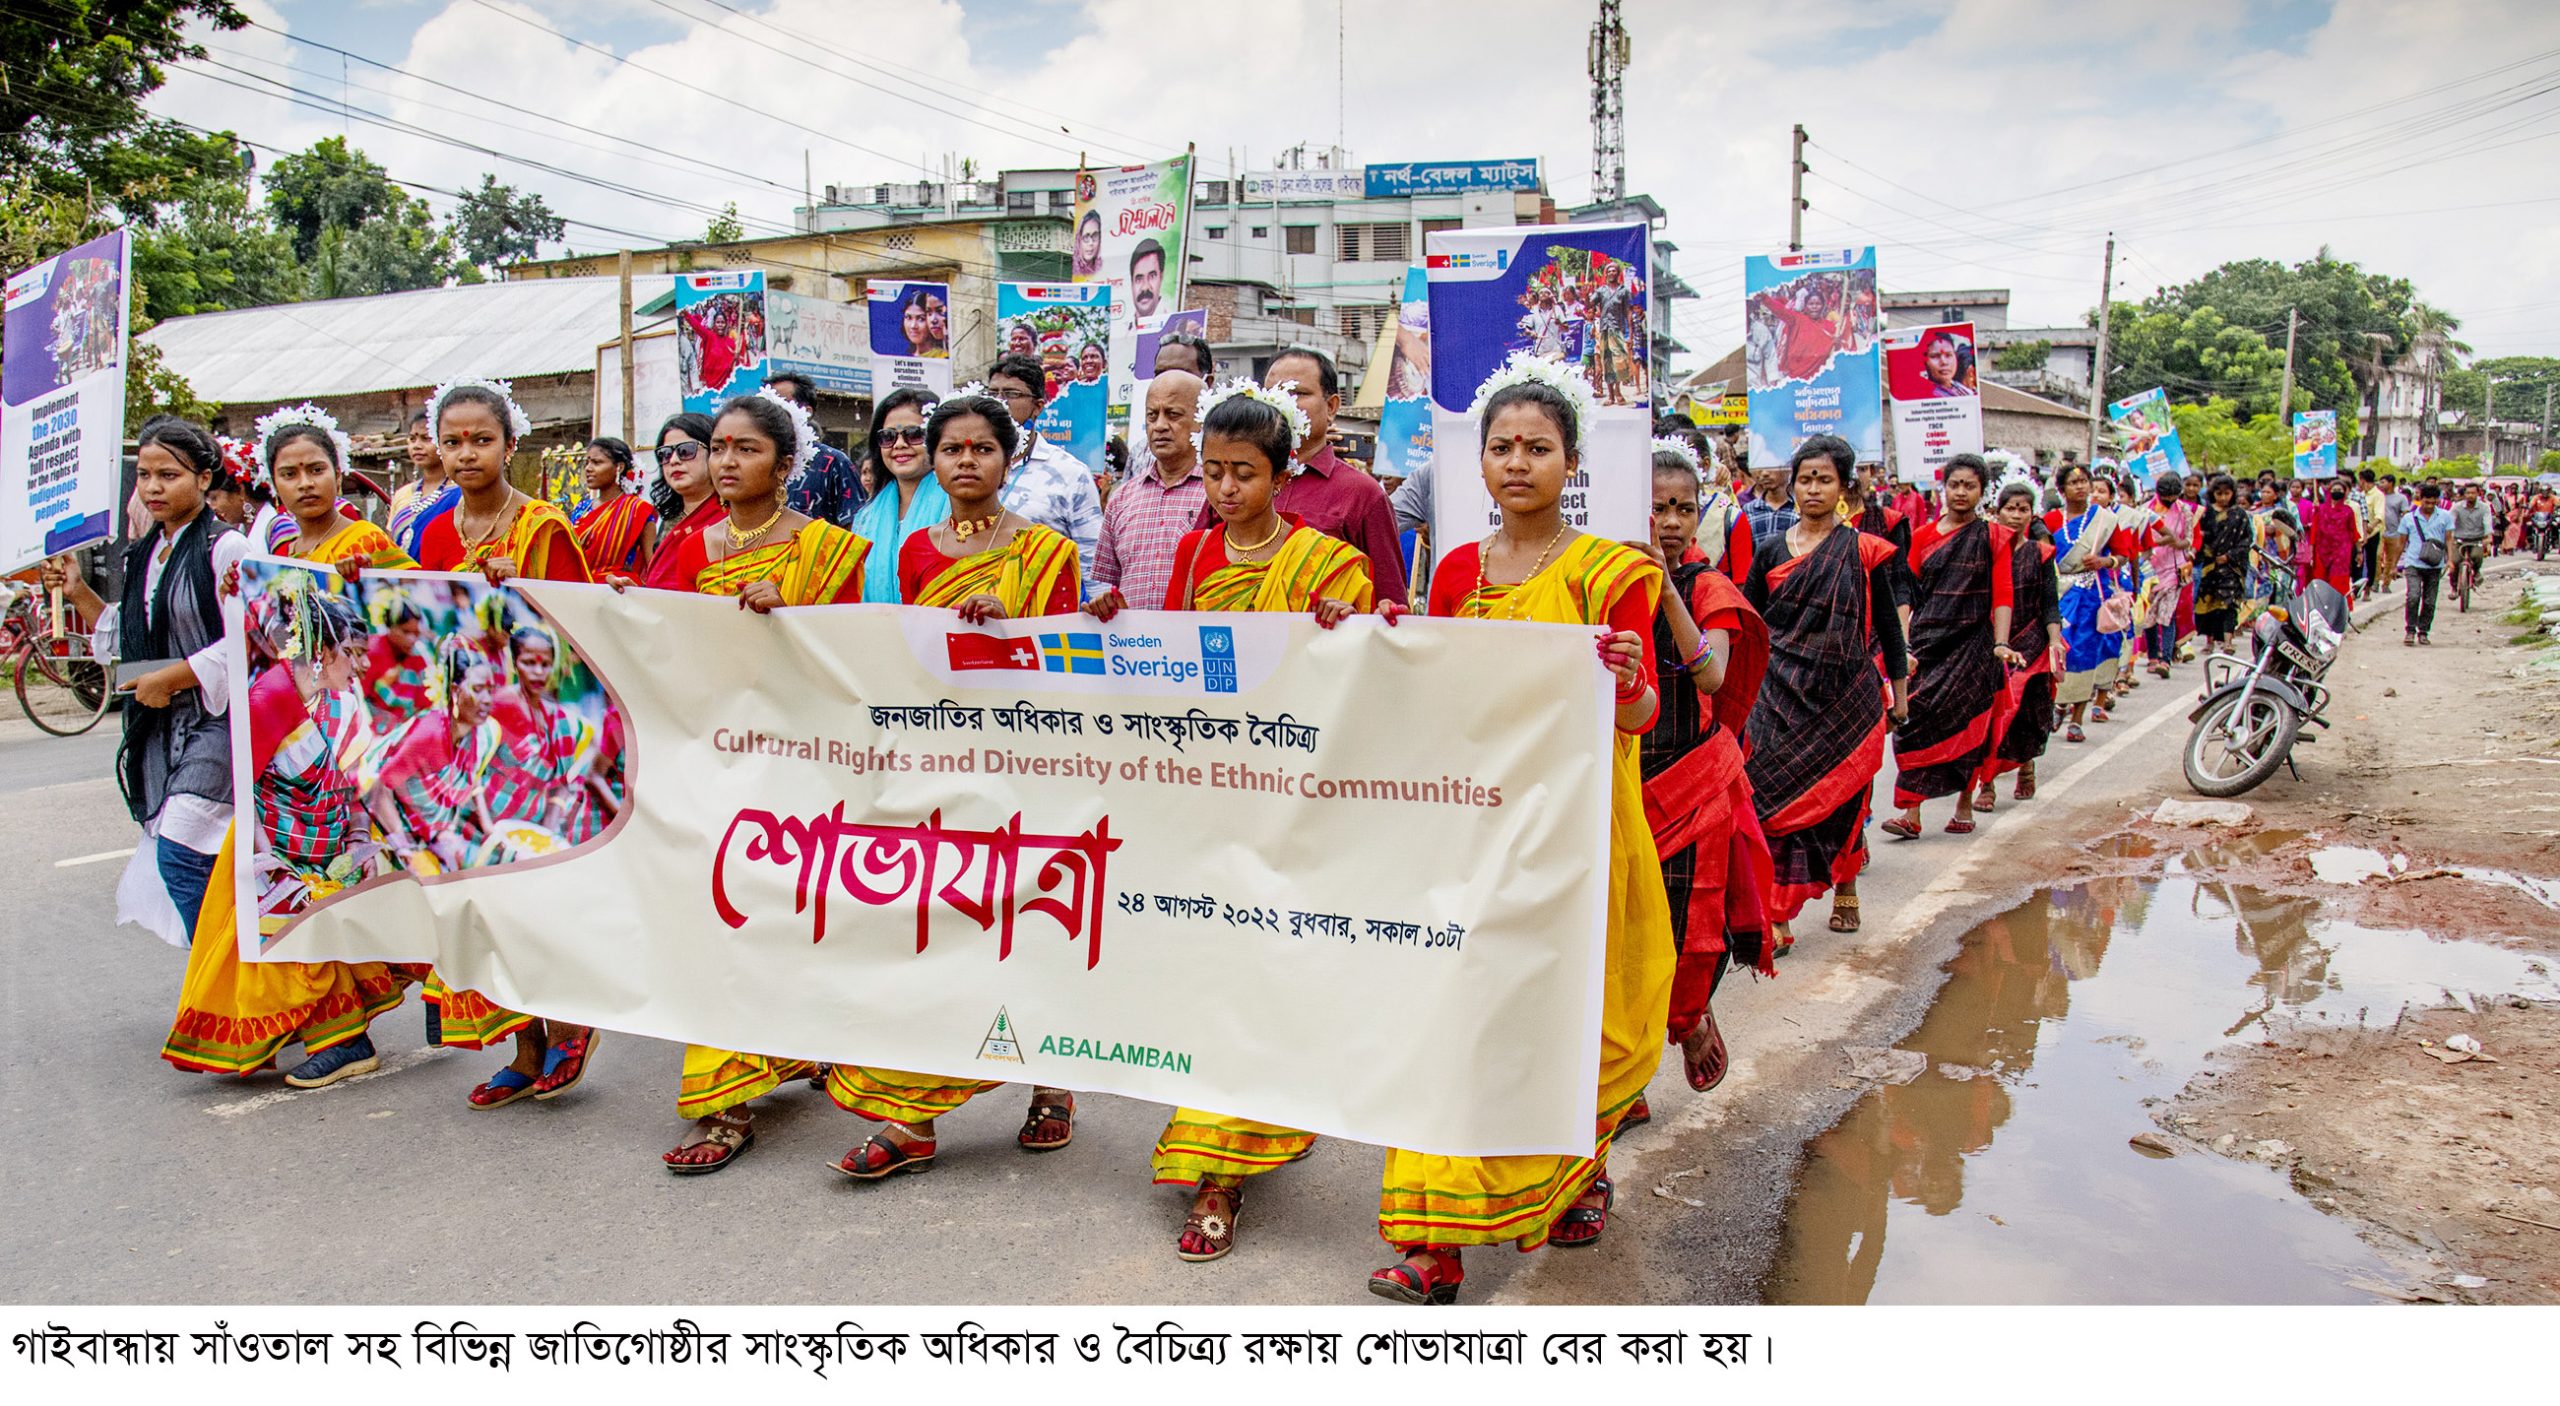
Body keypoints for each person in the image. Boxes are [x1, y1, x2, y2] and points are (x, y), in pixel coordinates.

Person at [1366, 359, 1669, 1306]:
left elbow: (1646, 716)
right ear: (1479, 462)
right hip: (1477, 827)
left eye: (1537, 447)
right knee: (1458, 1019)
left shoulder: (1614, 571)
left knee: (1569, 1019)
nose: (1517, 463)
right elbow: (1440, 690)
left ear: (1570, 461)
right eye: (1500, 447)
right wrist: (1381, 635)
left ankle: (1578, 1172)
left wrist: (1626, 678)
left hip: (1579, 834)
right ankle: (1434, 1243)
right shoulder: (1455, 568)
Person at [1085, 380, 1372, 1262]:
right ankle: (1221, 1157)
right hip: (1213, 798)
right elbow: (1173, 665)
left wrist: (1347, 625)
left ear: (1281, 477)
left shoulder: (1328, 564)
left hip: (1298, 803)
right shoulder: (1196, 557)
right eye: (1212, 473)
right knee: (1214, 977)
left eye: (1243, 473)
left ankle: (1234, 1161)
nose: (1223, 489)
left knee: (1272, 973)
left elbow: (1372, 670)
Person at [827, 387, 1083, 1179]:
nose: (966, 462)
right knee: (936, 930)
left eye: (981, 448)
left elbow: (1070, 670)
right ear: (932, 461)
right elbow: (909, 656)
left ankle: (1053, 1084)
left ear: (1009, 459)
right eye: (952, 450)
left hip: (1027, 768)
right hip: (938, 762)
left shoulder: (1047, 552)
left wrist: (1013, 626)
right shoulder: (913, 551)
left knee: (1031, 928)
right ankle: (913, 1117)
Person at [652, 390, 872, 1174]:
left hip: (807, 766)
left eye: (746, 449)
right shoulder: (688, 545)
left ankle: (801, 1045)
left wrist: (799, 614)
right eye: (718, 448)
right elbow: (663, 646)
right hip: (717, 764)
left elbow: (859, 663)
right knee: (721, 923)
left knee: (796, 919)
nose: (725, 462)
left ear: (785, 463)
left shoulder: (830, 552)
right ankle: (725, 1101)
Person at [410, 377, 602, 1110]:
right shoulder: (430, 530)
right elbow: (422, 622)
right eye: (452, 440)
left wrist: (522, 592)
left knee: (534, 891)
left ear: (509, 446)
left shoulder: (543, 527)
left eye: (480, 440)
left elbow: (577, 640)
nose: (465, 454)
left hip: (536, 740)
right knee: (479, 895)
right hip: (465, 737)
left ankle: (569, 1022)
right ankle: (524, 1046)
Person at [42, 417, 240, 951]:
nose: (153, 487)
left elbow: (250, 640)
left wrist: (175, 676)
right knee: (193, 860)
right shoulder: (145, 553)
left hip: (218, 725)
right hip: (161, 727)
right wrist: (79, 589)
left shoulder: (227, 550)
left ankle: (228, 983)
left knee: (182, 851)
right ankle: (232, 981)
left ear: (203, 479)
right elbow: (134, 635)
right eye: (145, 476)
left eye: (168, 475)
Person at [1637, 437, 1771, 1113]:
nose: (1668, 521)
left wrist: (1663, 589)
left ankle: (1689, 1021)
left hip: (1689, 778)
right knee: (1617, 935)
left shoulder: (1708, 587)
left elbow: (1713, 674)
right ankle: (1623, 1077)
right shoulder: (1598, 575)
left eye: (1683, 508)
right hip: (1619, 776)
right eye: (1656, 506)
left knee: (1690, 927)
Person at [1741, 434, 1907, 953]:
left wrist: (1899, 696)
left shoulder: (1863, 551)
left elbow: (1887, 627)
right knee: (1770, 799)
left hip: (1844, 699)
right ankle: (1777, 912)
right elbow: (1749, 625)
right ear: (1792, 485)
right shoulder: (1769, 549)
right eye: (1805, 478)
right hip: (1777, 696)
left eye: (1824, 479)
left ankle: (1847, 883)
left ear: (1843, 487)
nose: (1813, 488)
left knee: (1841, 801)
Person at [1188, 347, 1409, 606]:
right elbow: (1199, 570)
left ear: (1331, 406)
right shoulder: (1228, 484)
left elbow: (1389, 603)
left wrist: (1351, 615)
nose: (1283, 402)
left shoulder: (1363, 494)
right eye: (1273, 393)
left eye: (1298, 392)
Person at [1880, 454, 2014, 840]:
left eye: (1969, 486)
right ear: (1943, 487)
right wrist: (1901, 643)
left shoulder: (1994, 536)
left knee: (1969, 727)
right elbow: (1904, 593)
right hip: (1926, 645)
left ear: (1982, 491)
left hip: (1974, 646)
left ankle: (1964, 803)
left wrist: (2001, 643)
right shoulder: (1921, 536)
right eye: (1954, 484)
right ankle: (1911, 812)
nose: (1960, 492)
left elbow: (2002, 593)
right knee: (1913, 722)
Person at [1977, 475, 2065, 805]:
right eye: (2010, 508)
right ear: (1996, 512)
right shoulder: (1985, 551)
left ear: (2032, 514)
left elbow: (2049, 602)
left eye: (2023, 509)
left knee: (2025, 711)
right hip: (1990, 640)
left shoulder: (2041, 554)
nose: (2015, 515)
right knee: (1988, 712)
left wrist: (2055, 642)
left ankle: (2025, 765)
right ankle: (1986, 783)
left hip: (2030, 643)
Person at [1089, 371, 1206, 617]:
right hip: (1135, 650)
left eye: (1172, 414)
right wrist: (1104, 604)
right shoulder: (1122, 499)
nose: (1160, 425)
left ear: (1202, 420)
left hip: (1198, 646)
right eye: (1152, 416)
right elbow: (1105, 584)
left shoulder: (1219, 495)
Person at [986, 354, 1104, 582]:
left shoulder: (1070, 473)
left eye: (1011, 394)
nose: (999, 402)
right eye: (992, 393)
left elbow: (1091, 560)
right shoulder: (968, 465)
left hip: (1042, 610)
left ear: (1038, 406)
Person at [2046, 463, 2134, 744]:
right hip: (2058, 594)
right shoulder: (2048, 521)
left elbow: (2122, 554)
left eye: (2084, 481)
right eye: (2073, 483)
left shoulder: (2104, 519)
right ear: (2062, 489)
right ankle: (2059, 703)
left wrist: (2105, 562)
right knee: (2059, 652)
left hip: (2090, 597)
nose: (2081, 487)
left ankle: (2077, 718)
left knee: (2084, 653)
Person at [846, 387, 949, 603]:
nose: (899, 444)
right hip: (877, 632)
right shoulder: (866, 517)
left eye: (914, 435)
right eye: (888, 436)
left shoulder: (959, 503)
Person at [629, 413, 722, 592]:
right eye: (664, 454)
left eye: (685, 451)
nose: (673, 461)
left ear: (714, 452)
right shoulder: (671, 521)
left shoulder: (734, 517)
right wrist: (635, 593)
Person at [765, 374, 867, 529]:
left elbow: (855, 527)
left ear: (806, 411)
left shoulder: (833, 462)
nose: (769, 412)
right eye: (766, 402)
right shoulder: (755, 462)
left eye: (779, 402)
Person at [2135, 470, 2195, 678]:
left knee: (2167, 614)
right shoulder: (2145, 511)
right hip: (2150, 567)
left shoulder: (2185, 511)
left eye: (2174, 498)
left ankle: (2165, 659)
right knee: (2149, 613)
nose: (2170, 502)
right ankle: (2152, 655)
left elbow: (2189, 539)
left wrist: (2177, 543)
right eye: (2166, 498)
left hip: (2174, 567)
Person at [572, 436, 657, 578]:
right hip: (576, 591)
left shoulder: (638, 510)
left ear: (619, 467)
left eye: (597, 462)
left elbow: (653, 567)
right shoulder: (582, 508)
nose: (588, 468)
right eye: (587, 463)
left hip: (616, 594)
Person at [2193, 474, 2254, 655]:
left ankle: (2228, 641)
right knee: (2208, 604)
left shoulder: (2239, 514)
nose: (2223, 498)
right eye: (2219, 494)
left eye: (2227, 493)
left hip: (2231, 567)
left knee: (2229, 605)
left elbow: (2246, 540)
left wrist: (2229, 556)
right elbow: (2199, 537)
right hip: (2209, 566)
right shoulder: (2205, 512)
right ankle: (2209, 642)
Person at [388, 410, 453, 556]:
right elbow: (390, 546)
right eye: (412, 439)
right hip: (404, 575)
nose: (417, 446)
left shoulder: (459, 493)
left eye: (426, 438)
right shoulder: (402, 494)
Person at [2399, 482, 2454, 646]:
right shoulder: (2409, 518)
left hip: (2434, 565)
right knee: (2413, 596)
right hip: (2413, 562)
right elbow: (2401, 542)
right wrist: (2394, 564)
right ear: (2419, 499)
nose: (2429, 505)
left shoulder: (2445, 517)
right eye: (2426, 502)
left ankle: (2423, 631)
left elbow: (2449, 539)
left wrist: (2450, 560)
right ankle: (2410, 630)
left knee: (2430, 601)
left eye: (2433, 502)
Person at [2303, 480, 2359, 597]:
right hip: (2321, 550)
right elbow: (2314, 532)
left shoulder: (2348, 511)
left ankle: (2340, 606)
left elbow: (2353, 532)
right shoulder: (2320, 509)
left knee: (2338, 579)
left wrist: (2359, 552)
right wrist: (2311, 551)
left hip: (2341, 551)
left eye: (2339, 490)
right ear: (2329, 492)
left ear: (2345, 492)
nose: (2336, 492)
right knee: (2321, 580)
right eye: (2334, 490)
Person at [1741, 456, 1798, 544]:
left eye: (1771, 466)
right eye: (1760, 466)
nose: (1764, 473)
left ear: (1788, 468)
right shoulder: (1749, 510)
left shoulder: (1799, 510)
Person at [2449, 480, 2493, 591]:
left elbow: (2487, 523)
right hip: (2459, 539)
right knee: (2455, 562)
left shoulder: (2484, 508)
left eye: (2473, 493)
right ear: (2464, 494)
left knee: (2476, 557)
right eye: (2468, 493)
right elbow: (2450, 522)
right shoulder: (2456, 507)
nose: (2470, 495)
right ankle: (2454, 588)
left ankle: (2476, 571)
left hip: (2476, 539)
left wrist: (2488, 537)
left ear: (2478, 494)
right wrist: (2448, 535)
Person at [1919, 328, 1974, 397]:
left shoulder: (1959, 387)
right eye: (1935, 356)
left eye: (1948, 355)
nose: (1944, 362)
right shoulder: (1928, 395)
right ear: (1925, 362)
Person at [1129, 238, 1167, 321]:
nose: (1145, 287)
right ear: (1132, 283)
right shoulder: (1122, 330)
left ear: (1161, 277)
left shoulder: (1173, 325)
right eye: (1139, 279)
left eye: (1152, 276)